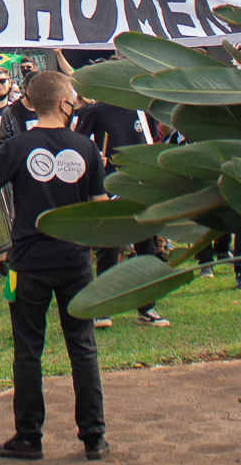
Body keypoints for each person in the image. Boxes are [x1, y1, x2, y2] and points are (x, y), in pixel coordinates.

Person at [0, 70, 110, 462]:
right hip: (75, 259)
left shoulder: (17, 146)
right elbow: (100, 209)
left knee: (28, 351)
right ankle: (93, 435)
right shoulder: (87, 148)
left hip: (27, 261)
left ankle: (29, 436)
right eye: (73, 97)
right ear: (64, 103)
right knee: (83, 348)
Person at [72, 95, 173, 328]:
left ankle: (147, 308)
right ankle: (103, 307)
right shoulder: (96, 111)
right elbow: (79, 144)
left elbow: (150, 142)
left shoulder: (140, 109)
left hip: (138, 187)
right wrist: (95, 160)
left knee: (146, 247)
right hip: (108, 188)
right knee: (108, 249)